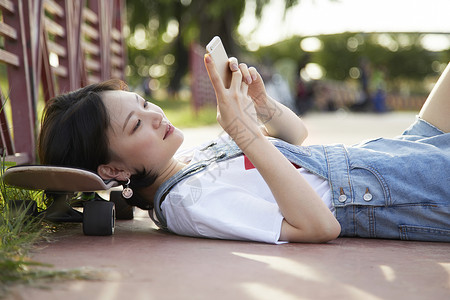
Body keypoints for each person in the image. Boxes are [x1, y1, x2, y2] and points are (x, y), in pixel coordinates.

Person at [38, 56, 450, 244]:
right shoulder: (187, 205)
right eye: (136, 124)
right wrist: (241, 129)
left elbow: (297, 137)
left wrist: (263, 108)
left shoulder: (191, 162)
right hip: (397, 191)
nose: (157, 116)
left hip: (395, 151)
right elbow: (320, 226)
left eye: (145, 105)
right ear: (112, 170)